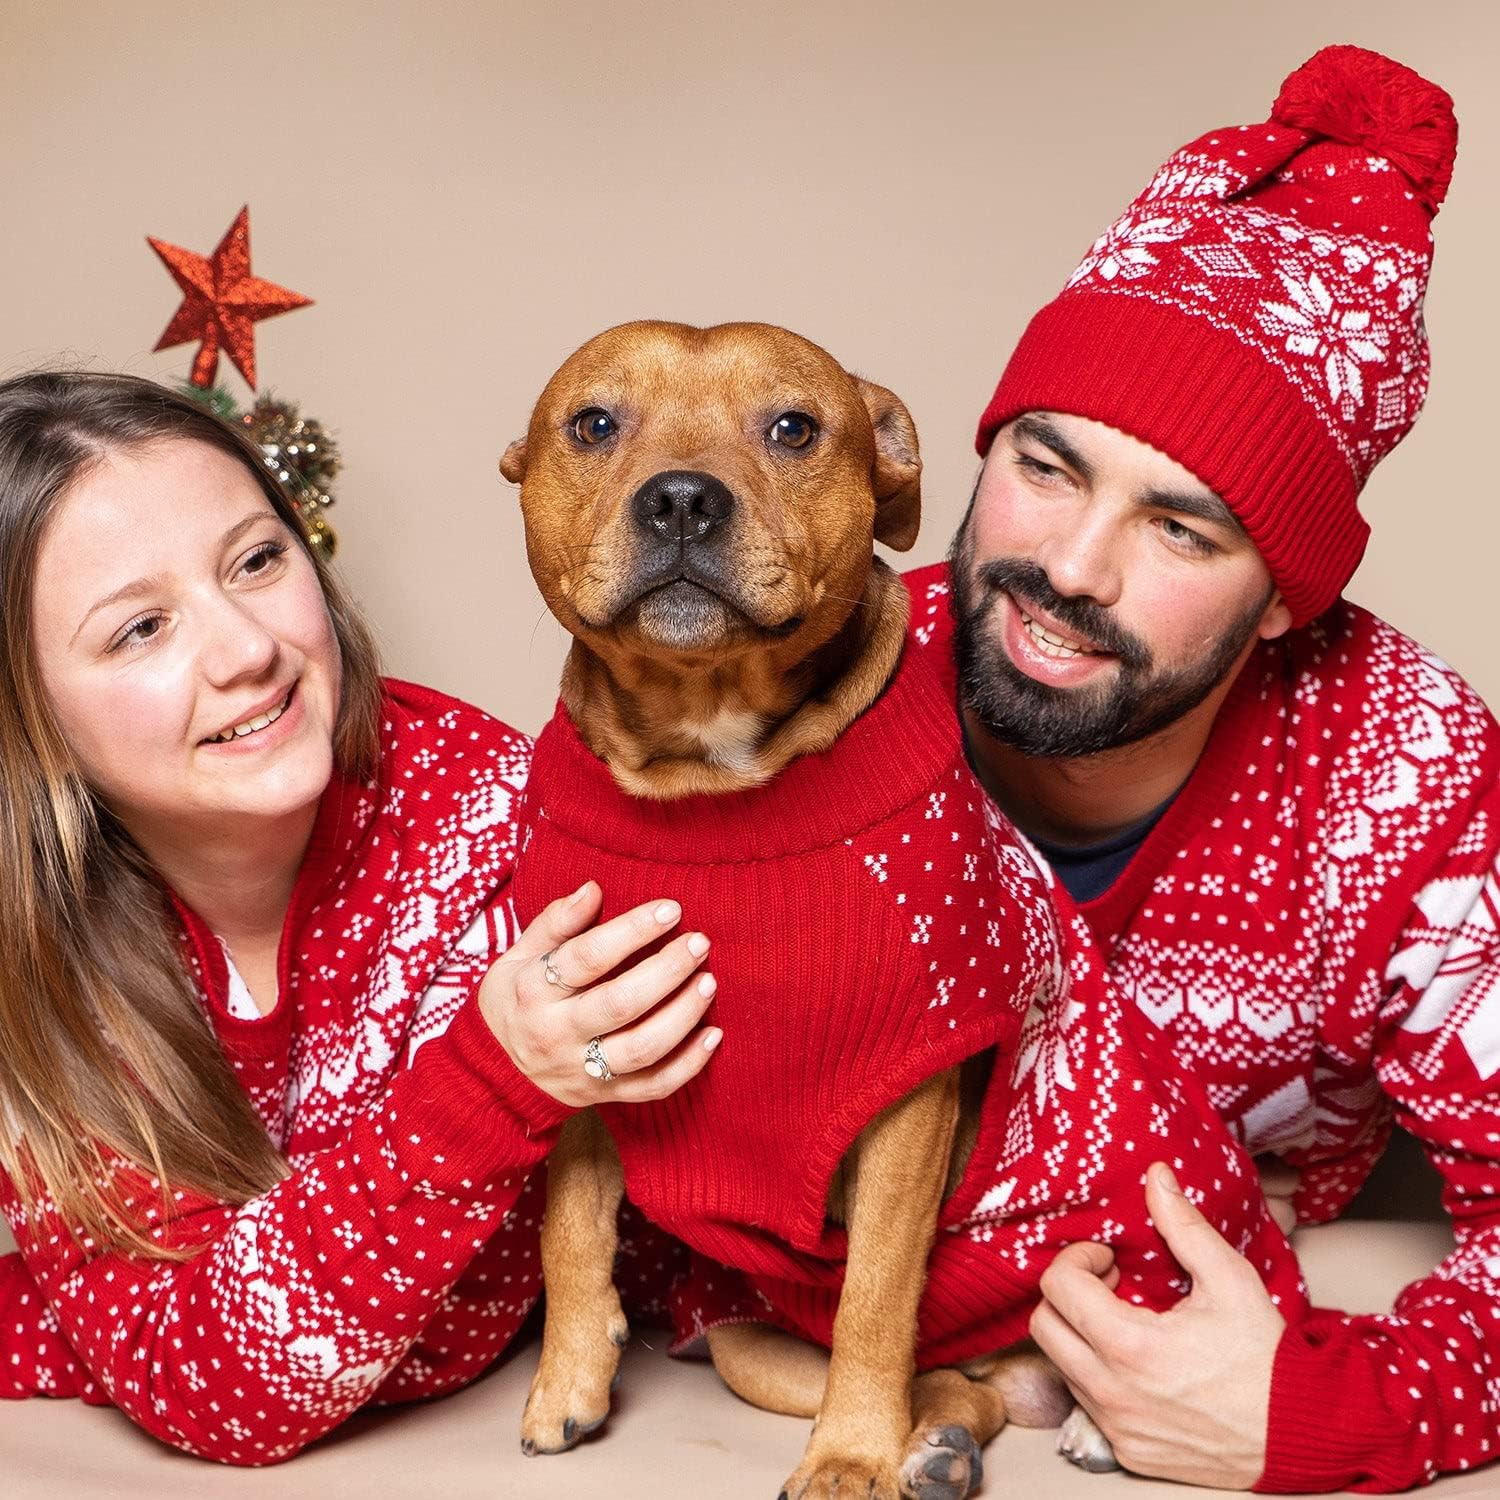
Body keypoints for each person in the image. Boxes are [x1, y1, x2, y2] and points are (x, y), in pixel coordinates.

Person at [906, 43, 1498, 1492]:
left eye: (1183, 528)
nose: (1067, 569)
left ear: (1289, 596)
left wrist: (1337, 1414)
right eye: (1045, 467)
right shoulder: (826, 682)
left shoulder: (1406, 769)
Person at [0, 370, 720, 1464]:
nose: (248, 649)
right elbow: (212, 1381)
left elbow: (455, 1326)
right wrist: (498, 1077)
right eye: (141, 628)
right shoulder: (37, 957)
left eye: (256, 560)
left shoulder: (494, 818)